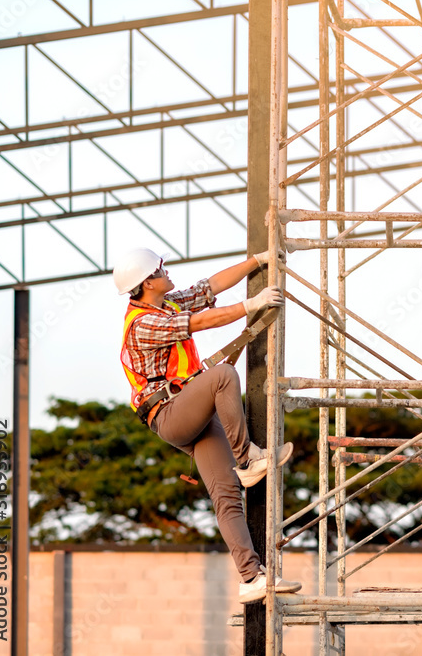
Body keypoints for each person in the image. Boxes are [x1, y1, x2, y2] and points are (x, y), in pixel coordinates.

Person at [114, 247, 301, 603]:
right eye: (160, 269)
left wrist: (258, 261)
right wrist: (251, 305)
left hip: (186, 411)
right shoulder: (144, 324)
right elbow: (200, 321)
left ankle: (251, 579)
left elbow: (209, 287)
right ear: (148, 282)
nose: (167, 271)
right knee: (222, 376)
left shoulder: (163, 305)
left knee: (227, 498)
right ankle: (247, 460)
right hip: (171, 414)